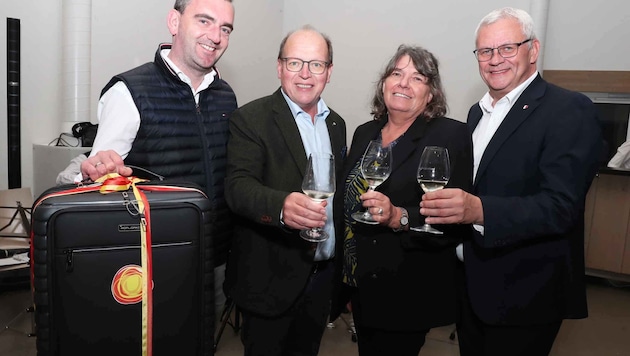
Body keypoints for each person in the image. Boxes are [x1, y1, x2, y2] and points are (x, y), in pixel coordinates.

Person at [419, 7, 603, 356]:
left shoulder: (568, 109)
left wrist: (478, 210)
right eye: (485, 51)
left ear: (532, 50)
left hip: (526, 292)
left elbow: (561, 207)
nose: (495, 59)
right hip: (472, 285)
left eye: (508, 48)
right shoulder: (477, 113)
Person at [77, 0, 236, 318]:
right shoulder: (129, 91)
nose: (215, 36)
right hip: (153, 263)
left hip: (215, 258)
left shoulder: (226, 95)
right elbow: (98, 179)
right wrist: (95, 171)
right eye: (204, 21)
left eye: (225, 28)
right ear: (174, 22)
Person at [334, 44, 473, 356]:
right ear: (384, 83)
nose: (403, 83)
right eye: (396, 73)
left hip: (407, 287)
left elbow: (453, 218)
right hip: (358, 280)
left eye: (417, 78)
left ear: (432, 93)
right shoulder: (364, 132)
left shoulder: (449, 135)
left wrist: (401, 216)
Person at [223, 25, 346, 355]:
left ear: (329, 72)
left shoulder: (336, 124)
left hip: (322, 278)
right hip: (269, 281)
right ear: (279, 67)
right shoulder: (251, 118)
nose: (305, 74)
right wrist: (281, 206)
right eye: (295, 63)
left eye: (316, 64)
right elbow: (237, 188)